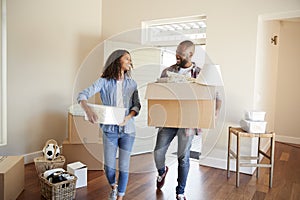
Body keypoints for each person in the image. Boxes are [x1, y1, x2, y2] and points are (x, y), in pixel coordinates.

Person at [154, 40, 221, 200]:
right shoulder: (167, 71)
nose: (177, 55)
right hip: (168, 120)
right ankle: (162, 172)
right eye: (177, 51)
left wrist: (214, 113)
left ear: (190, 55)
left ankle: (180, 191)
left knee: (183, 158)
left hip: (188, 122)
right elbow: (158, 93)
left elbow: (216, 96)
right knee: (158, 152)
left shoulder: (200, 74)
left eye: (181, 53)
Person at [77, 49, 141, 200]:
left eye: (130, 60)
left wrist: (128, 117)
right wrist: (88, 110)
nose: (130, 62)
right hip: (109, 130)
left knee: (124, 166)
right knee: (109, 167)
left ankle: (119, 196)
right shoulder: (104, 82)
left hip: (128, 130)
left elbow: (137, 105)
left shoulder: (132, 84)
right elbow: (82, 95)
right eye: (127, 59)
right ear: (118, 60)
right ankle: (113, 186)